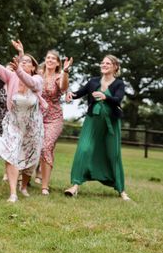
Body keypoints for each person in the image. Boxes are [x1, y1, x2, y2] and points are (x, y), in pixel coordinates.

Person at [0, 35, 44, 202]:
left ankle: (24, 186)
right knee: (12, 154)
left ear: (34, 67)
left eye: (28, 62)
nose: (24, 63)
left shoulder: (37, 79)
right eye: (22, 61)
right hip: (13, 123)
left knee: (31, 157)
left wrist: (20, 58)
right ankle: (13, 193)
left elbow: (30, 83)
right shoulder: (11, 77)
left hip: (32, 125)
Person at [64, 55, 130, 200]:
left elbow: (118, 99)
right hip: (92, 122)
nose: (104, 65)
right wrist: (70, 94)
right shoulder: (93, 81)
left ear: (115, 67)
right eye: (102, 63)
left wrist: (105, 97)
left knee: (114, 155)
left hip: (111, 124)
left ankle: (121, 190)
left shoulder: (119, 83)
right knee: (84, 149)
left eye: (108, 63)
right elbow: (78, 93)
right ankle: (75, 185)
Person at [36, 50, 72, 195]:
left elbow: (63, 87)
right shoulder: (38, 75)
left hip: (53, 117)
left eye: (53, 59)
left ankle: (45, 186)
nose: (50, 60)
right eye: (48, 58)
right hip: (37, 116)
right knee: (34, 147)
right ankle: (23, 178)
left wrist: (66, 71)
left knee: (46, 147)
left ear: (57, 63)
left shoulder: (59, 76)